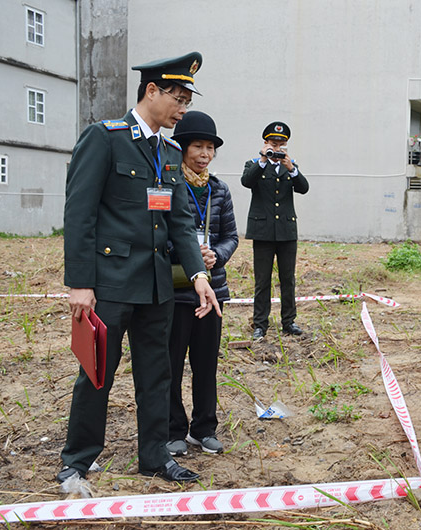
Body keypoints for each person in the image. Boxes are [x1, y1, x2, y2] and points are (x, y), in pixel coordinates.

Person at [60, 52, 221, 484]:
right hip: (110, 285)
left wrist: (199, 276)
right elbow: (80, 214)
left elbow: (181, 222)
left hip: (157, 289)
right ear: (152, 91)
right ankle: (77, 459)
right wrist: (79, 284)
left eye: (187, 98)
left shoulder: (168, 153)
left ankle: (154, 456)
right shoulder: (105, 138)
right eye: (179, 97)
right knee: (96, 373)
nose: (183, 108)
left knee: (157, 375)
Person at [167, 111, 238, 456]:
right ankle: (174, 430)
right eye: (198, 146)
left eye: (210, 147)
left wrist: (216, 257)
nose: (205, 153)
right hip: (178, 290)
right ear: (182, 148)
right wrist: (189, 255)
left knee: (206, 363)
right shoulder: (168, 185)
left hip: (214, 289)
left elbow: (231, 236)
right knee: (172, 362)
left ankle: (203, 428)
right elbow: (161, 233)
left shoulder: (219, 189)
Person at [242, 122, 309, 341]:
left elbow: (304, 188)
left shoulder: (290, 166)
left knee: (288, 278)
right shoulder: (255, 164)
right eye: (273, 143)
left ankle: (288, 321)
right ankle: (260, 324)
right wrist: (263, 160)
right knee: (263, 280)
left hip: (286, 232)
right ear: (265, 144)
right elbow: (246, 181)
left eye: (281, 144)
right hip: (263, 231)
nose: (277, 147)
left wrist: (292, 168)